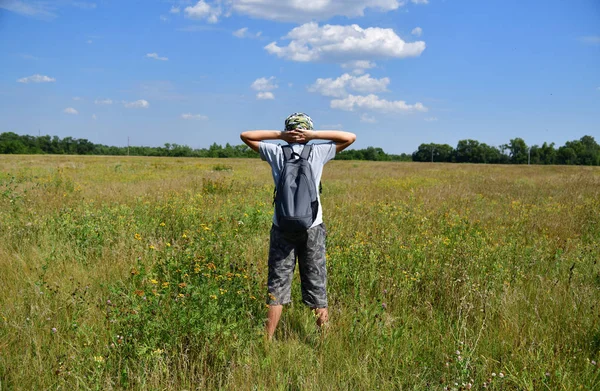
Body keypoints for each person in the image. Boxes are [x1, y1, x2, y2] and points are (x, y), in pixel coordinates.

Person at [240, 112, 356, 340]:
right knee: (316, 282)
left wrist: (280, 136)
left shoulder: (275, 152)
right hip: (313, 225)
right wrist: (313, 135)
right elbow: (349, 137)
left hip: (281, 225)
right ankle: (324, 339)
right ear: (307, 130)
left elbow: (246, 136)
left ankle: (268, 340)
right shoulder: (318, 151)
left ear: (288, 130)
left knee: (277, 283)